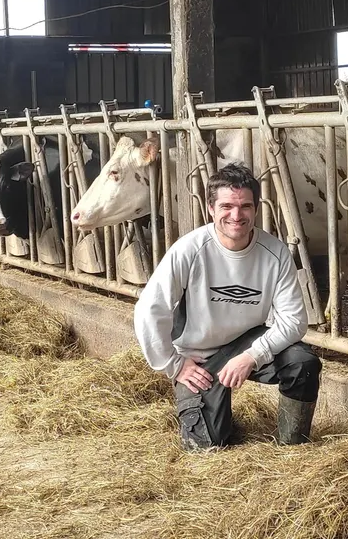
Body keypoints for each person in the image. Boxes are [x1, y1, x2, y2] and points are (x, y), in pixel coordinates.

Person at [134, 162, 321, 450]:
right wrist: (174, 364)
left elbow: (294, 320)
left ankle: (293, 448)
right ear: (211, 208)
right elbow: (150, 308)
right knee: (206, 447)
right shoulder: (190, 249)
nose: (237, 215)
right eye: (226, 206)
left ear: (256, 208)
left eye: (245, 206)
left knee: (303, 364)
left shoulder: (275, 252)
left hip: (249, 342)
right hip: (199, 360)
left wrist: (252, 356)